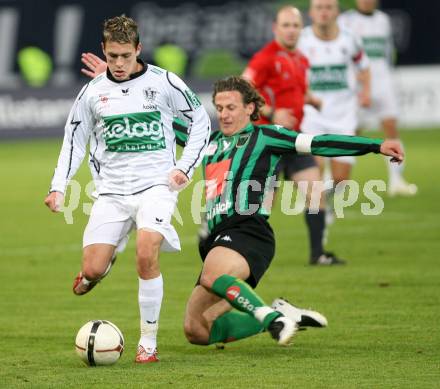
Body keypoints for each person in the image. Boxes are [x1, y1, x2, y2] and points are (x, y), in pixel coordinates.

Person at [176, 76, 403, 348]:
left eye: (231, 108)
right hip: (218, 237)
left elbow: (319, 142)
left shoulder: (266, 137)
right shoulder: (206, 141)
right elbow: (163, 124)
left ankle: (272, 319)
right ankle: (283, 313)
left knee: (212, 276)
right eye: (219, 108)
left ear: (250, 108)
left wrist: (375, 146)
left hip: (248, 231)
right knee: (197, 328)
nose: (224, 115)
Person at [44, 15, 211, 363]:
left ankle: (148, 343)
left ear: (138, 49)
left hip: (157, 186)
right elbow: (74, 140)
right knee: (91, 268)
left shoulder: (164, 82)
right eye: (113, 56)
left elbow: (200, 120)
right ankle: (98, 269)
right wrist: (59, 186)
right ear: (104, 50)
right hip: (111, 191)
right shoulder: (93, 91)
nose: (118, 64)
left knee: (147, 253)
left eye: (125, 56)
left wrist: (184, 167)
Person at [242, 5, 344, 266]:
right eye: (285, 25)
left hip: (294, 138)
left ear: (301, 29)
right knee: (264, 204)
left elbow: (295, 89)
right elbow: (243, 89)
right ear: (276, 28)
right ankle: (243, 251)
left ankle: (318, 254)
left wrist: (310, 99)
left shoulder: (300, 58)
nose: (290, 30)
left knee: (316, 192)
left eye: (295, 25)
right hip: (268, 140)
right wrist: (272, 112)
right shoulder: (265, 58)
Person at [298, 0, 371, 236]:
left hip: (344, 116)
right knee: (314, 173)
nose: (324, 12)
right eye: (319, 7)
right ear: (311, 12)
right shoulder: (301, 40)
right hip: (312, 116)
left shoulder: (350, 39)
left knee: (341, 179)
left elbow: (364, 67)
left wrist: (366, 91)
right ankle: (318, 215)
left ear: (336, 12)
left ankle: (324, 202)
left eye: (329, 7)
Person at [338, 0, 417, 196]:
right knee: (351, 133)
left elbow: (388, 52)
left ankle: (396, 180)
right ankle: (339, 183)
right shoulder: (345, 20)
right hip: (358, 84)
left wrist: (390, 75)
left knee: (390, 126)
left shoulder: (383, 20)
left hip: (382, 82)